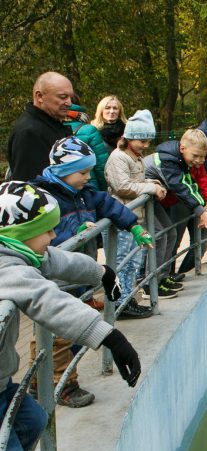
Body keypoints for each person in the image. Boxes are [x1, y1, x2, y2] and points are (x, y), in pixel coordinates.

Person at [0, 181, 141, 451]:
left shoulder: (18, 251)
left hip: (2, 381)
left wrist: (100, 272)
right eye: (47, 230)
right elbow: (48, 300)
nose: (54, 236)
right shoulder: (6, 267)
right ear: (20, 233)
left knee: (33, 421)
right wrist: (110, 337)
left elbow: (56, 260)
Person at [27, 137, 151, 407]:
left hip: (77, 276)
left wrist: (134, 226)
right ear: (61, 170)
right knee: (59, 335)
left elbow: (110, 205)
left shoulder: (82, 193)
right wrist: (76, 235)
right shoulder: (45, 199)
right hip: (56, 280)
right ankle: (62, 385)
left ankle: (40, 382)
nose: (87, 177)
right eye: (82, 172)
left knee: (58, 335)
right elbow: (45, 240)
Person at [105, 110, 168, 319]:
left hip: (134, 217)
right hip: (121, 219)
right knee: (121, 261)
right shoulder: (119, 158)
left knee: (133, 262)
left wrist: (150, 183)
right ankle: (118, 304)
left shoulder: (136, 156)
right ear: (129, 137)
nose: (146, 145)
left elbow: (135, 182)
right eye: (142, 141)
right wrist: (149, 189)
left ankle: (127, 299)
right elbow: (121, 186)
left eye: (148, 141)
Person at [144, 129, 207, 283]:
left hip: (152, 198)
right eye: (195, 156)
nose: (199, 161)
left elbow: (190, 185)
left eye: (202, 157)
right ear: (183, 148)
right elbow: (181, 188)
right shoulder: (169, 160)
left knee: (170, 233)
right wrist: (203, 214)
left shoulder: (181, 159)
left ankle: (163, 277)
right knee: (159, 236)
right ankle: (150, 282)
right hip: (142, 198)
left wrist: (205, 205)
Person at [7, 72, 74, 181]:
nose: (69, 103)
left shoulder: (52, 124)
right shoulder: (29, 133)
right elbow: (30, 185)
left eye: (71, 97)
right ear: (40, 96)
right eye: (63, 97)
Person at [65, 99, 110, 191]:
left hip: (62, 185)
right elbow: (101, 165)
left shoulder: (49, 129)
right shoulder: (89, 130)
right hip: (89, 184)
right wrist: (104, 189)